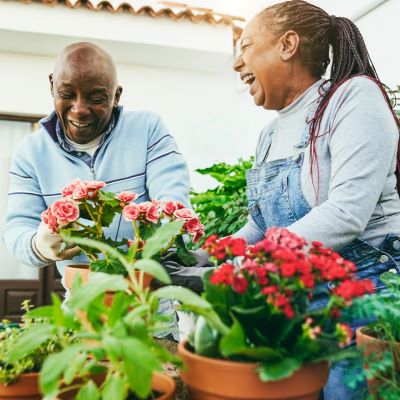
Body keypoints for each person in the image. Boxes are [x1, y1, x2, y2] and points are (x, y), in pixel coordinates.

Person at [231, 1, 400, 399]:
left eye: (246, 45)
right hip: (301, 304)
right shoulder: (269, 136)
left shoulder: (353, 98)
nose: (237, 63)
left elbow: (347, 213)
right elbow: (259, 224)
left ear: (288, 44)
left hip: (364, 297)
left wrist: (254, 262)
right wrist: (206, 256)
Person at [2, 42, 191, 339]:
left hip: (151, 314)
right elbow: (16, 231)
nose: (79, 109)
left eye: (96, 97)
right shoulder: (30, 152)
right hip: (81, 315)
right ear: (52, 86)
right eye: (67, 94)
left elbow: (175, 206)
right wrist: (40, 244)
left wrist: (154, 243)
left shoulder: (148, 130)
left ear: (116, 95)